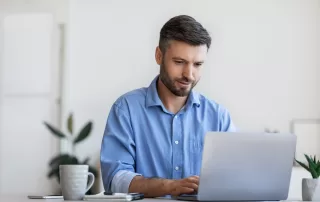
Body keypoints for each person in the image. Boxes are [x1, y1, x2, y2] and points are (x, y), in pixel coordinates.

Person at [100, 15, 236, 198]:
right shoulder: (126, 109)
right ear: (159, 55)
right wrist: (170, 186)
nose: (189, 74)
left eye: (198, 64)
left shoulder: (218, 116)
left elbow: (235, 177)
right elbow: (115, 180)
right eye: (179, 62)